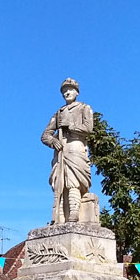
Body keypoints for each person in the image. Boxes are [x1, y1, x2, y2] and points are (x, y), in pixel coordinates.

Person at [41, 78, 95, 223]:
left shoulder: (84, 108)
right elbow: (45, 135)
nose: (66, 93)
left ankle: (74, 213)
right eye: (64, 91)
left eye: (69, 89)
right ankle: (59, 217)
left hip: (76, 148)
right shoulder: (58, 113)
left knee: (73, 182)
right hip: (60, 152)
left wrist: (70, 125)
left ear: (76, 92)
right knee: (59, 185)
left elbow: (89, 129)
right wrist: (53, 141)